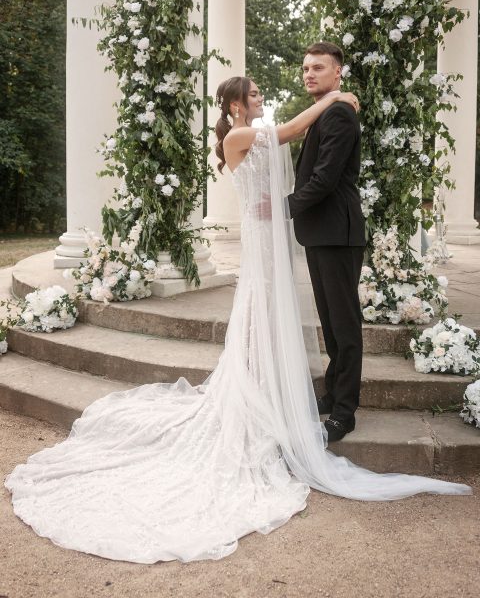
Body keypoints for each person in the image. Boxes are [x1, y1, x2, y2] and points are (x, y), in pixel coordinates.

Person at [4, 77, 471, 565]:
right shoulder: (236, 137)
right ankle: (254, 392)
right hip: (260, 235)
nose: (260, 100)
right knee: (258, 313)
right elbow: (289, 131)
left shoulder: (250, 132)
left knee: (268, 313)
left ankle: (265, 387)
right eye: (253, 96)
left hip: (270, 234)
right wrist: (335, 97)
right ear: (233, 104)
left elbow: (285, 140)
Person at [287, 41, 366, 442]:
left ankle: (345, 411)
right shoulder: (325, 111)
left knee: (344, 324)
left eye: (318, 68)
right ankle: (333, 393)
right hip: (322, 233)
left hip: (338, 233)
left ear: (338, 74)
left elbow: (325, 178)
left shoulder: (338, 114)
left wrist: (284, 208)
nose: (309, 74)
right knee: (332, 323)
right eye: (305, 68)